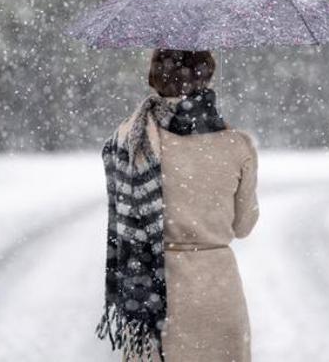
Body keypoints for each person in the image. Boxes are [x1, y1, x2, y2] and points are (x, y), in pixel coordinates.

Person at [95, 48, 259, 362]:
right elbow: (243, 226)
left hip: (153, 292)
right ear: (207, 76)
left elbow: (121, 211)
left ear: (156, 78)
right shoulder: (238, 145)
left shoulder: (132, 139)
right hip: (217, 291)